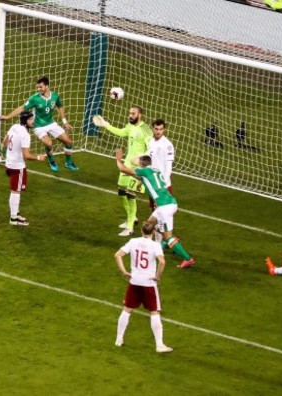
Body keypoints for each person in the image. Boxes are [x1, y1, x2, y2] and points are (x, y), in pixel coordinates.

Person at [115, 148, 195, 268]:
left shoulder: (144, 171)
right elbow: (143, 179)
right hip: (168, 203)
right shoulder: (155, 170)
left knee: (168, 236)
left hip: (164, 207)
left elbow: (122, 169)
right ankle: (159, 245)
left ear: (141, 164)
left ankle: (187, 258)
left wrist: (118, 159)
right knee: (149, 224)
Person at [93, 106, 152, 236]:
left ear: (140, 115)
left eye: (133, 113)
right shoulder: (130, 126)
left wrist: (142, 160)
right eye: (130, 113)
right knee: (121, 192)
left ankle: (130, 227)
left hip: (138, 168)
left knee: (131, 195)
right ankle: (132, 218)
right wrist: (106, 125)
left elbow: (151, 148)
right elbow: (121, 132)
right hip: (126, 164)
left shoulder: (145, 130)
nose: (130, 115)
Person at [114, 221, 172, 353]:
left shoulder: (133, 241)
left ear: (141, 231)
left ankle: (119, 339)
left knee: (127, 310)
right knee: (154, 312)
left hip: (134, 281)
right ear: (153, 232)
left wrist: (124, 272)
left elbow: (117, 255)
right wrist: (157, 276)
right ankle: (159, 345)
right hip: (148, 283)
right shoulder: (155, 245)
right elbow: (162, 262)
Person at [0, 76, 78, 172]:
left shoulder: (55, 96)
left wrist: (65, 122)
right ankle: (51, 160)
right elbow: (22, 108)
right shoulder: (34, 99)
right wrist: (7, 117)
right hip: (38, 126)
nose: (38, 89)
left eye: (40, 87)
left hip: (51, 123)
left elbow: (60, 107)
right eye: (37, 87)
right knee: (49, 143)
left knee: (68, 141)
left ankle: (68, 163)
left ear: (47, 86)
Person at [3, 111, 47, 225]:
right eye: (31, 119)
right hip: (18, 167)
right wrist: (38, 157)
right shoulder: (25, 135)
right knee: (16, 192)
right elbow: (26, 155)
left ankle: (16, 214)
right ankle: (13, 219)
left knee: (15, 191)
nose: (33, 121)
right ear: (25, 121)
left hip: (8, 164)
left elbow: (5, 142)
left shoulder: (14, 126)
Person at [147, 119, 175, 202]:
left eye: (160, 129)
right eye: (156, 129)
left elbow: (168, 168)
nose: (158, 132)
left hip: (163, 184)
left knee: (165, 211)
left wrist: (163, 185)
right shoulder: (151, 142)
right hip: (152, 182)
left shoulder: (167, 145)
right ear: (153, 129)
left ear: (164, 130)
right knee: (153, 210)